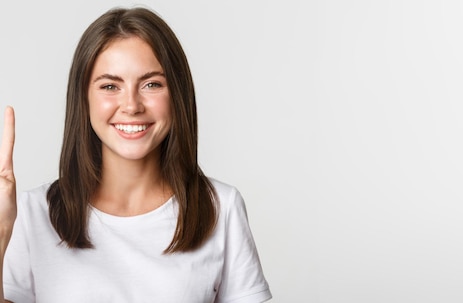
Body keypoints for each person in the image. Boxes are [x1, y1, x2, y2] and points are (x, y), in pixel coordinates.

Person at [0, 7, 272, 303]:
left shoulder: (221, 207)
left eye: (151, 84)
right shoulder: (30, 214)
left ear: (177, 94)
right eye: (110, 86)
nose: (131, 105)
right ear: (84, 98)